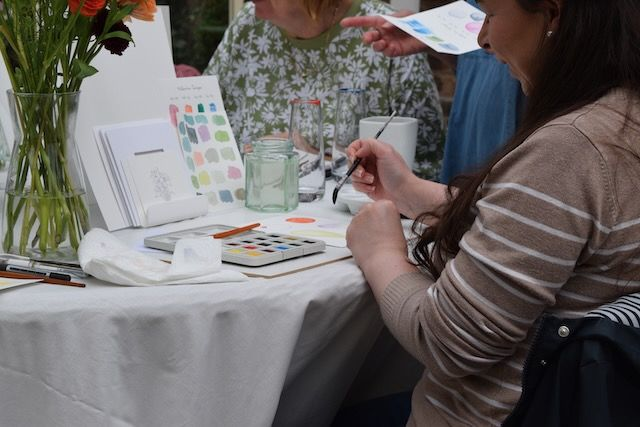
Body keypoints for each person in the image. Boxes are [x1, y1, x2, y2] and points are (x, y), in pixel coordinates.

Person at [344, 0, 640, 425]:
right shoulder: (620, 119)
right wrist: (408, 192)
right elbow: (540, 224)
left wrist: (380, 252)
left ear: (553, 14)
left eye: (491, 14)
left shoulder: (568, 150)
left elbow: (446, 341)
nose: (482, 39)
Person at [203, 0, 444, 179]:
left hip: (346, 221)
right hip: (249, 210)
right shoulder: (248, 26)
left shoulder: (386, 35)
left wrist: (315, 159)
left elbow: (427, 166)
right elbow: (200, 123)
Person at [342, 0, 526, 185]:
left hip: (509, 172)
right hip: (466, 160)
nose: (482, 39)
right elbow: (480, 63)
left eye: (491, 16)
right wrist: (432, 36)